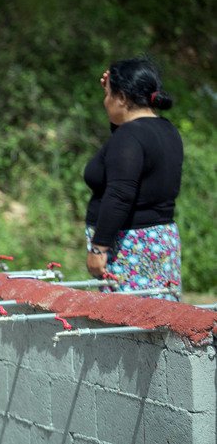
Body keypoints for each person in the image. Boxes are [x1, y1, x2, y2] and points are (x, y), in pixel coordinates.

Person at [84, 57, 183, 299]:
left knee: (129, 326)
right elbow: (127, 149)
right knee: (160, 319)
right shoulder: (166, 130)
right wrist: (114, 88)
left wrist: (99, 247)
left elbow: (120, 194)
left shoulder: (129, 137)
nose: (104, 101)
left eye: (108, 94)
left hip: (130, 249)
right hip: (160, 242)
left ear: (122, 98)